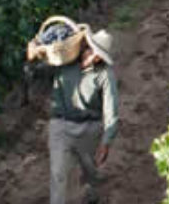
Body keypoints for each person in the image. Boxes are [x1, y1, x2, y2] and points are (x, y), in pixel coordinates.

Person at [27, 29, 119, 204]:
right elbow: (38, 72)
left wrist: (106, 142)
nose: (96, 58)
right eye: (95, 53)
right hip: (60, 125)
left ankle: (92, 194)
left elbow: (111, 109)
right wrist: (32, 57)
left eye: (100, 56)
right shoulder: (64, 61)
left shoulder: (105, 74)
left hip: (90, 128)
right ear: (88, 46)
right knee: (58, 173)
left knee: (90, 170)